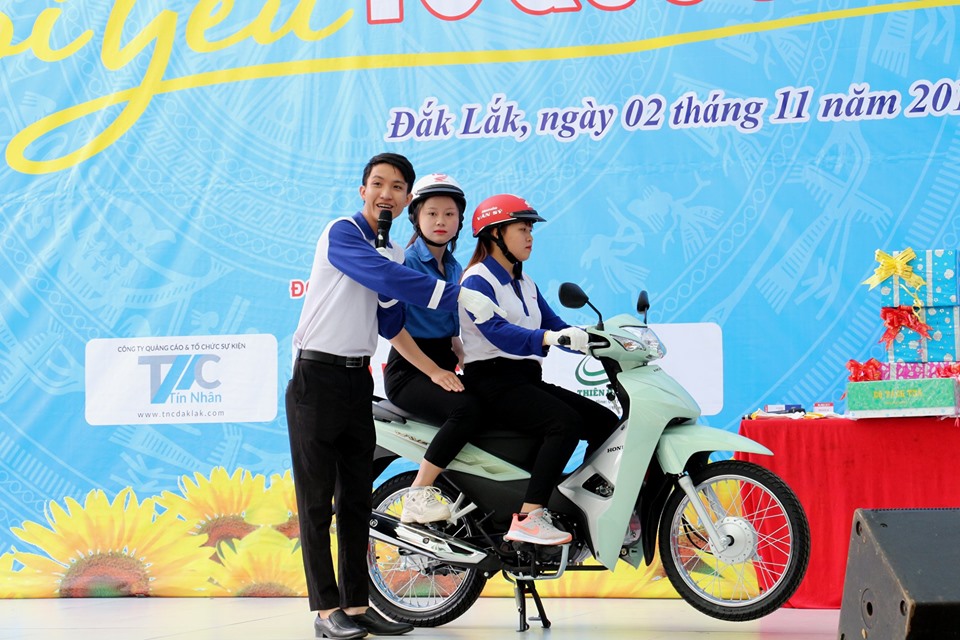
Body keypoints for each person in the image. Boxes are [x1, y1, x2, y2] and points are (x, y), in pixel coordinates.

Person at [285, 153, 503, 640]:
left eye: (397, 187)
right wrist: (452, 294)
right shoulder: (341, 232)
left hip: (357, 379)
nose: (387, 193)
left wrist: (400, 284)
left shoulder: (395, 254)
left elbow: (388, 319)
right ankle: (325, 612)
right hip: (315, 377)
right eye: (379, 184)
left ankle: (356, 605)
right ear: (362, 190)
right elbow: (381, 278)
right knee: (317, 502)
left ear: (405, 200)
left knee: (356, 500)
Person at [458, 193, 619, 546]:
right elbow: (499, 332)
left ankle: (591, 503)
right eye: (522, 228)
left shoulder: (525, 282)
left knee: (606, 422)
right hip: (492, 381)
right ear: (495, 233)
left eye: (531, 229)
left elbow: (555, 324)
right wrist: (548, 338)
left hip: (525, 379)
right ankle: (530, 516)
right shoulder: (477, 280)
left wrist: (600, 340)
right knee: (564, 423)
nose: (530, 236)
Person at [382, 173, 482, 524]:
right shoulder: (406, 263)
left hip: (442, 362)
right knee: (467, 411)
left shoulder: (453, 266)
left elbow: (447, 322)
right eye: (432, 213)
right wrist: (435, 371)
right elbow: (393, 330)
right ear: (416, 218)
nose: (441, 221)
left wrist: (462, 352)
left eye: (449, 214)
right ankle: (418, 494)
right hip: (410, 371)